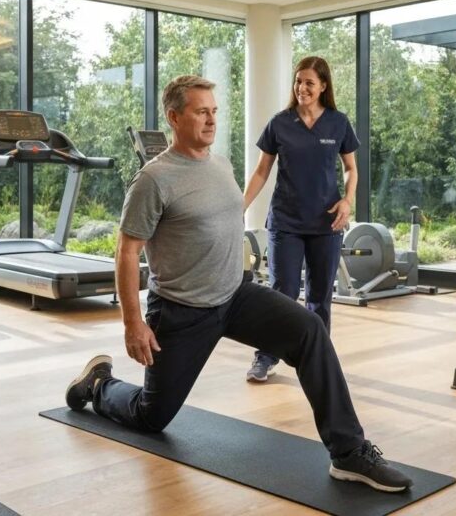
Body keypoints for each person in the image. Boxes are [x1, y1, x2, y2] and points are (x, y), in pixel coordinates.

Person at [65, 75, 412, 493]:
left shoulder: (221, 163)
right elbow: (126, 251)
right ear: (174, 118)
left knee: (309, 330)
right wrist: (132, 323)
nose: (211, 120)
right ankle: (100, 384)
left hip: (236, 295)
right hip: (182, 309)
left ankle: (349, 452)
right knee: (150, 417)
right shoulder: (153, 180)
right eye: (200, 112)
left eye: (214, 111)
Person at [242, 56, 358, 383]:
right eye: (298, 81)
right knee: (282, 292)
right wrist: (239, 205)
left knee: (320, 297)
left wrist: (347, 201)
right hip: (286, 222)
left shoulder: (338, 123)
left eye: (309, 82)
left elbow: (351, 169)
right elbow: (262, 171)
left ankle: (317, 359)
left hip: (326, 224)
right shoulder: (280, 123)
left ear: (323, 86)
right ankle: (266, 356)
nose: (302, 87)